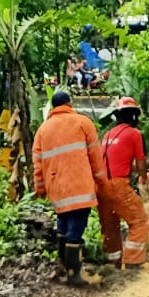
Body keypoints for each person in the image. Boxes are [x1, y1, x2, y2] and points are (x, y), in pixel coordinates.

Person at [33, 89, 105, 286]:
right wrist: (101, 181)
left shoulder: (43, 130)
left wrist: (40, 188)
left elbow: (37, 164)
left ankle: (64, 266)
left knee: (63, 225)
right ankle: (74, 273)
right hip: (79, 185)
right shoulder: (82, 122)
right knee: (76, 227)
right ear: (69, 104)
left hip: (57, 188)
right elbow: (95, 157)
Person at [96, 96, 149, 270]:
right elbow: (141, 164)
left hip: (100, 187)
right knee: (139, 220)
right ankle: (133, 262)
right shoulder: (134, 134)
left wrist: (135, 170)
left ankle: (113, 263)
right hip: (118, 186)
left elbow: (117, 162)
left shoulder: (107, 135)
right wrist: (144, 179)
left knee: (110, 227)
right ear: (134, 116)